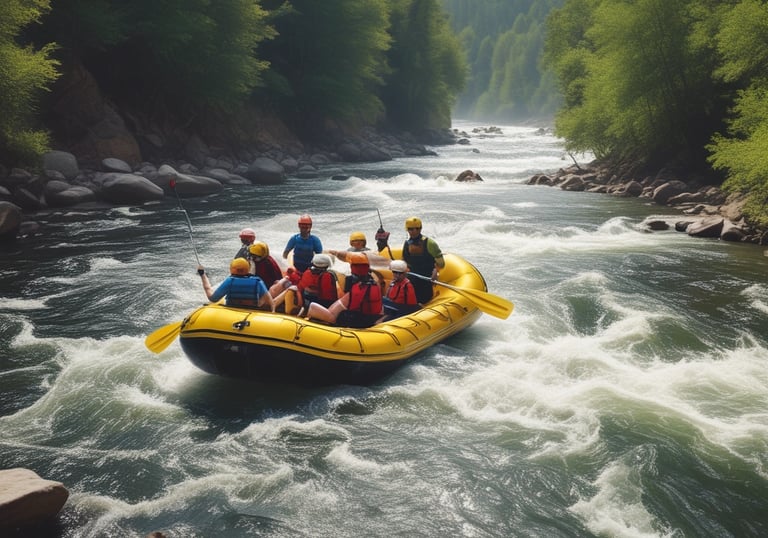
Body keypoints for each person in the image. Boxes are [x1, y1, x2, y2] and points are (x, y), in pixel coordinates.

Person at [304, 253, 383, 328]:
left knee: (312, 305)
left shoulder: (357, 289)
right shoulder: (375, 285)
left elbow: (340, 308)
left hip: (346, 320)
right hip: (368, 319)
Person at [197, 258, 275, 311]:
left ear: (232, 269)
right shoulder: (258, 281)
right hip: (251, 311)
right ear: (248, 268)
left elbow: (213, 298)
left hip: (232, 310)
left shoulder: (230, 281)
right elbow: (270, 302)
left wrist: (203, 275)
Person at [274, 253, 339, 314]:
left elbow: (301, 285)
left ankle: (274, 304)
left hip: (311, 304)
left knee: (289, 288)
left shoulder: (309, 273)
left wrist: (293, 275)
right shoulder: (329, 275)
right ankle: (274, 303)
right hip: (322, 305)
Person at [401, 216, 445, 304]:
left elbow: (441, 263)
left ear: (421, 228)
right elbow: (404, 262)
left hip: (426, 280)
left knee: (424, 299)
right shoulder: (407, 244)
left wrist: (436, 270)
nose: (414, 231)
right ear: (407, 230)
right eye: (411, 229)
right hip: (412, 280)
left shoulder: (430, 243)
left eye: (417, 228)